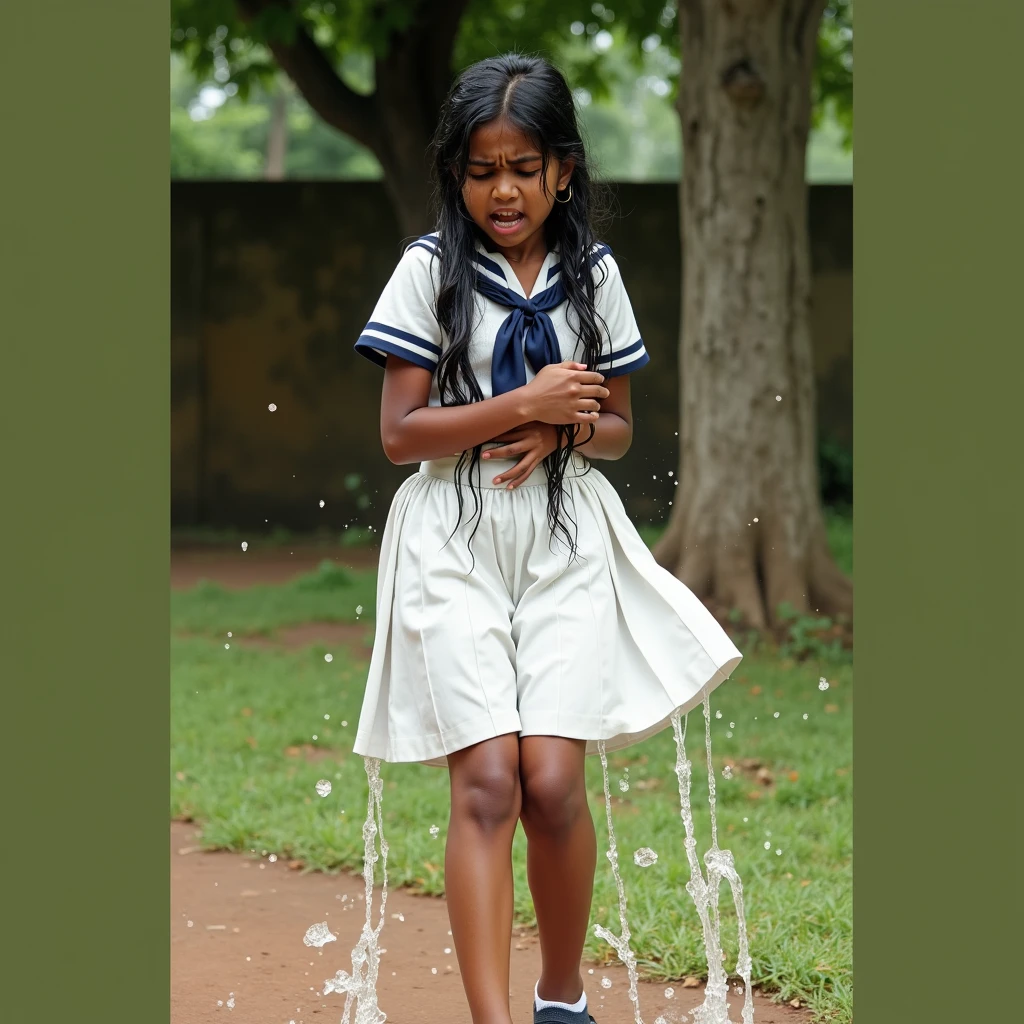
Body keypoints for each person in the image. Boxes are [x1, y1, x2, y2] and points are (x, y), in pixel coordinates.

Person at [352, 53, 742, 1024]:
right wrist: (518, 402)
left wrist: (569, 425)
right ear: (455, 176)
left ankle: (560, 999)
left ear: (563, 169)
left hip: (565, 534)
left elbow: (617, 427)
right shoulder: (428, 272)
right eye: (481, 170)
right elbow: (400, 436)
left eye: (524, 166)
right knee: (488, 780)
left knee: (554, 781)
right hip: (452, 534)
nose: (504, 189)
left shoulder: (592, 274)